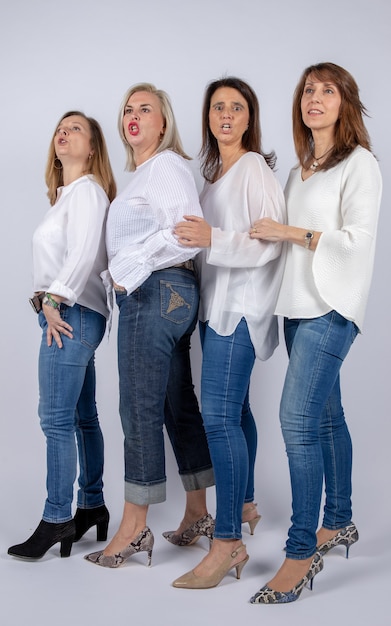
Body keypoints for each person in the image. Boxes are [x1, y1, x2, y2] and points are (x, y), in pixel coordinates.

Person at [249, 62, 382, 604]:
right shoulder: (301, 168)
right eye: (308, 90)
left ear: (345, 103)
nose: (315, 98)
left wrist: (288, 231)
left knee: (295, 420)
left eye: (327, 91)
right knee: (328, 417)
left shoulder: (361, 164)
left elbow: (357, 240)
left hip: (332, 309)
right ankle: (340, 520)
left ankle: (301, 551)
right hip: (297, 309)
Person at [84, 83, 214, 569]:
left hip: (155, 292)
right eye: (127, 110)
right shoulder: (143, 175)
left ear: (164, 123)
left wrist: (127, 267)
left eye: (146, 109)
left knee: (137, 406)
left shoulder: (166, 167)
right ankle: (199, 511)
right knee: (174, 403)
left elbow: (187, 234)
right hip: (167, 295)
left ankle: (135, 527)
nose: (133, 116)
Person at [172, 77, 286, 589]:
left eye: (236, 107)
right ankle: (245, 504)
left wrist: (212, 238)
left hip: (239, 310)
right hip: (212, 311)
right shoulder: (210, 181)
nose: (225, 114)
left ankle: (227, 541)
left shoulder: (255, 168)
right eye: (217, 106)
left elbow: (269, 242)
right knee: (235, 411)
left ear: (249, 118)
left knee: (217, 417)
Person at [8, 111, 117, 560]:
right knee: (81, 417)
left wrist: (53, 300)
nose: (63, 133)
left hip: (67, 314)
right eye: (60, 128)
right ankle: (91, 505)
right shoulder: (67, 196)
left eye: (75, 129)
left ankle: (57, 518)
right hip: (74, 313)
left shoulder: (88, 191)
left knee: (55, 420)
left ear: (91, 147)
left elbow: (83, 252)